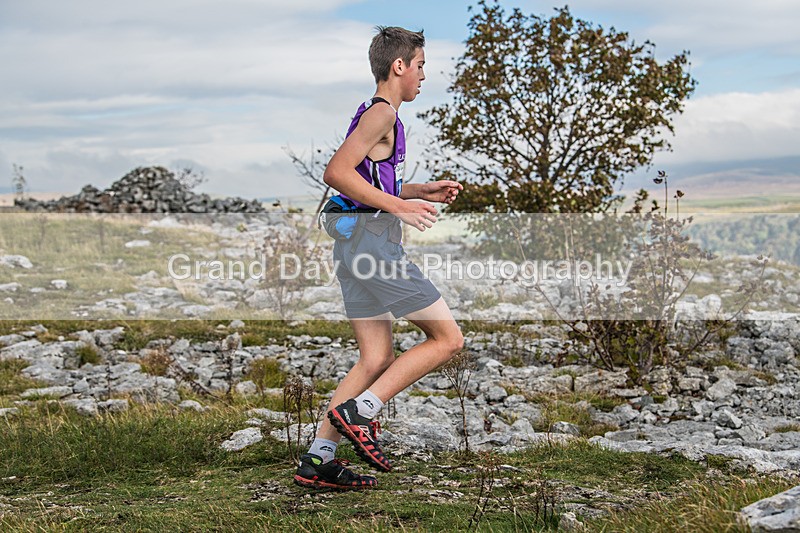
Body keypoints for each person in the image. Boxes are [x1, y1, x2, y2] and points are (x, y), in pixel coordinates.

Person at [293, 26, 465, 490]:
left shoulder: (375, 115)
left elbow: (368, 181)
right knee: (448, 339)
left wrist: (417, 190)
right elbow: (336, 173)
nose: (424, 75)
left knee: (376, 357)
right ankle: (361, 411)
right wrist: (399, 206)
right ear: (399, 66)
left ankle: (319, 458)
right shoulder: (383, 114)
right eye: (421, 65)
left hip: (352, 247)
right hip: (373, 245)